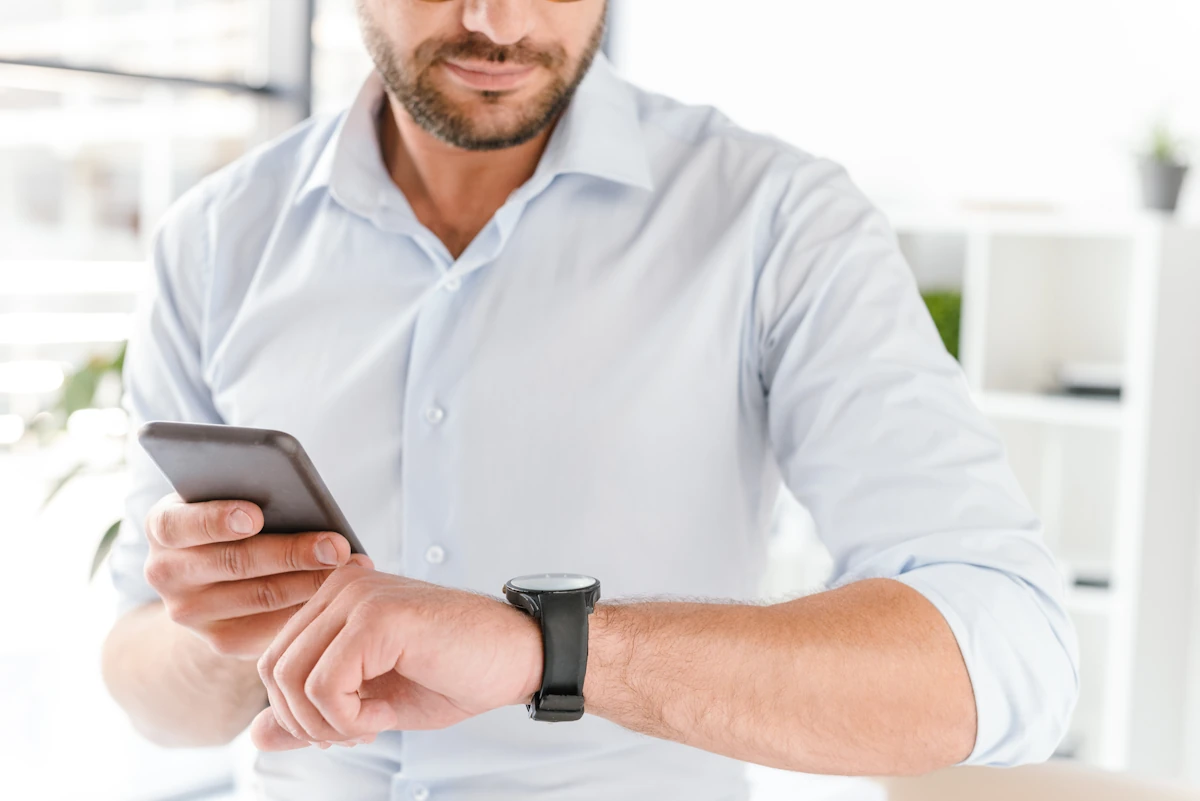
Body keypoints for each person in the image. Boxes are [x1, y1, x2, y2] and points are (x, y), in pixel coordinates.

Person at [101, 1, 1079, 799]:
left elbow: (1009, 650)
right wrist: (253, 632)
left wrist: (545, 648)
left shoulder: (779, 222)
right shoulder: (215, 240)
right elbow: (145, 683)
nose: (498, 20)